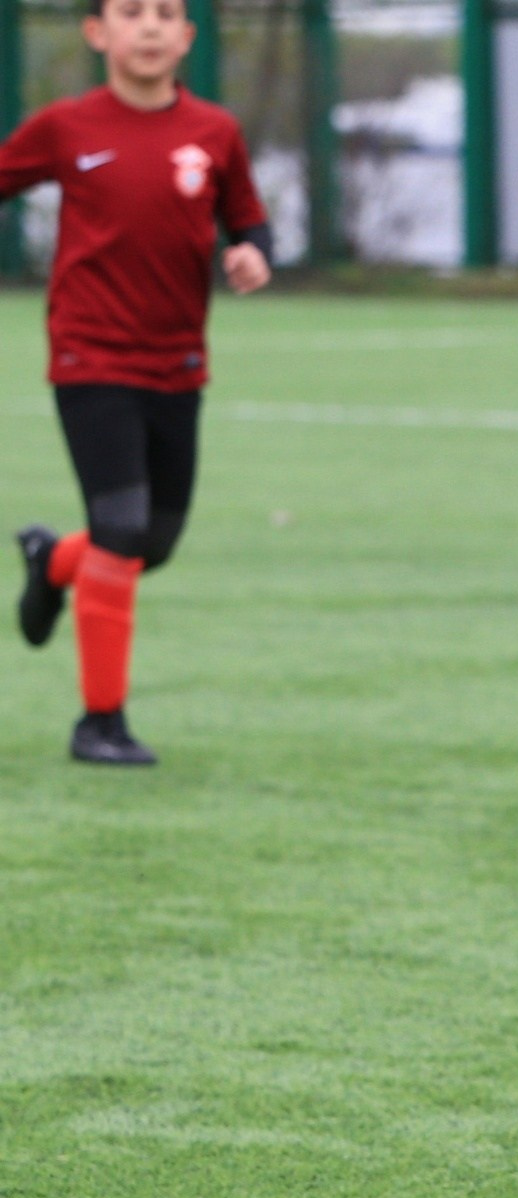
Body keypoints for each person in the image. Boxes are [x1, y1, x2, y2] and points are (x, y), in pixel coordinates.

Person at [0, 0, 271, 766]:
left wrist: (251, 252)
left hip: (178, 363)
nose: (149, 27)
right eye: (131, 11)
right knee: (120, 528)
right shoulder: (65, 126)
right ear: (97, 34)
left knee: (153, 540)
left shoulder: (215, 132)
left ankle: (54, 561)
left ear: (187, 36)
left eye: (165, 13)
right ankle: (100, 723)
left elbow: (248, 219)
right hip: (89, 357)